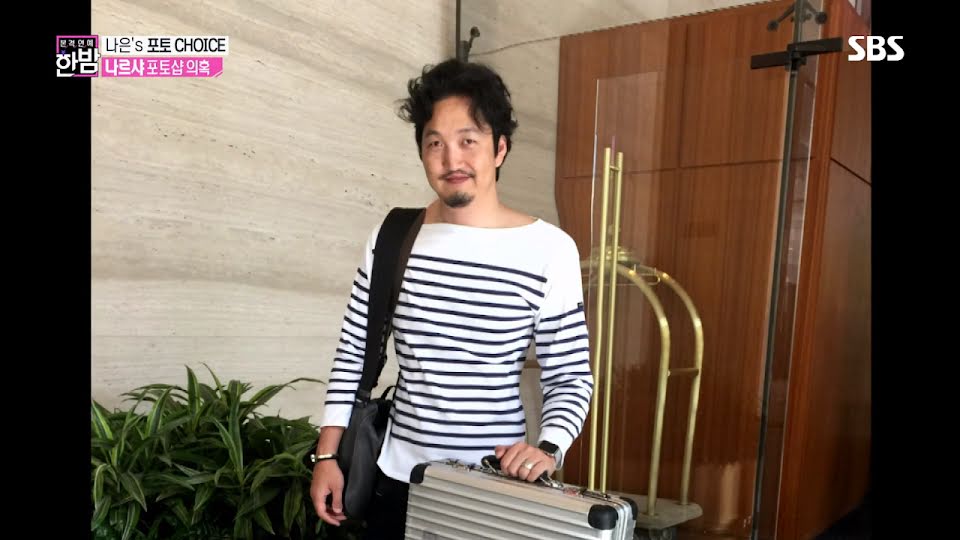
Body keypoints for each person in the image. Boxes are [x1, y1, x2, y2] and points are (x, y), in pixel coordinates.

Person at [309, 58, 594, 539]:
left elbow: (569, 375)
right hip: (397, 482)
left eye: (468, 141)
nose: (451, 159)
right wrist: (326, 456)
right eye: (435, 143)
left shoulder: (549, 250)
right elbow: (353, 353)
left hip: (493, 487)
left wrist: (548, 447)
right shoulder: (393, 236)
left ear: (499, 148)